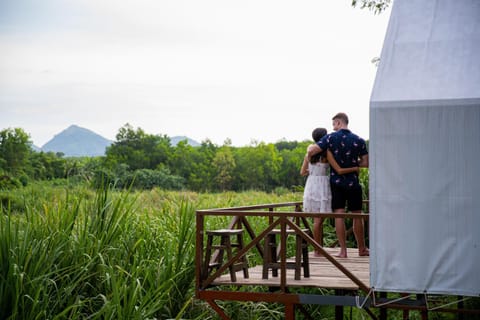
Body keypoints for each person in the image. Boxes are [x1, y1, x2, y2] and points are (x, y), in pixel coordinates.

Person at [307, 113, 369, 258]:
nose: (333, 127)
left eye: (334, 124)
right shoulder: (359, 140)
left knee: (339, 215)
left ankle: (343, 251)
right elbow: (366, 162)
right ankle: (362, 249)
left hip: (336, 183)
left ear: (339, 122)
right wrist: (353, 164)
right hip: (353, 183)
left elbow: (311, 151)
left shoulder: (329, 138)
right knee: (357, 215)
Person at [301, 127, 359, 257]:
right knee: (320, 220)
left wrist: (313, 172)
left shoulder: (309, 154)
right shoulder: (326, 153)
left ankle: (317, 249)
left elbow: (302, 172)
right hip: (322, 185)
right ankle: (317, 249)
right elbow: (337, 168)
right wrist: (354, 167)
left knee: (317, 219)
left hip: (311, 184)